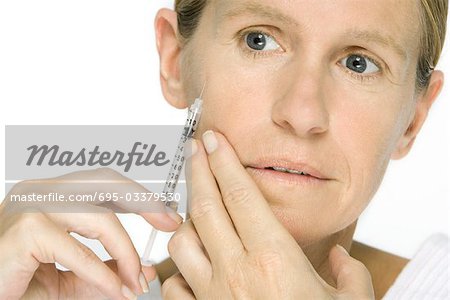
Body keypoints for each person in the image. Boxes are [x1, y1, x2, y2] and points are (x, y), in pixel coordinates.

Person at [0, 0, 448, 299]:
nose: (302, 111)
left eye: (358, 63)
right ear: (175, 60)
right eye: (259, 40)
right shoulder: (49, 285)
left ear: (413, 118)